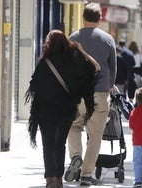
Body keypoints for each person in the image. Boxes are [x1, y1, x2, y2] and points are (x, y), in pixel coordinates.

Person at [24, 29, 101, 188]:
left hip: (46, 112)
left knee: (48, 145)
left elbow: (34, 87)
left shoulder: (45, 63)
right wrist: (81, 50)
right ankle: (58, 179)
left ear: (49, 44)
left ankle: (50, 179)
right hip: (66, 111)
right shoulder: (74, 62)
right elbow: (96, 67)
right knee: (60, 145)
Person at [65, 3, 117, 186]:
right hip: (100, 93)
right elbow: (113, 67)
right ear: (100, 18)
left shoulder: (73, 38)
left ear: (83, 17)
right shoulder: (108, 39)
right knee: (95, 135)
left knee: (74, 127)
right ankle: (87, 175)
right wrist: (110, 85)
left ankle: (76, 156)